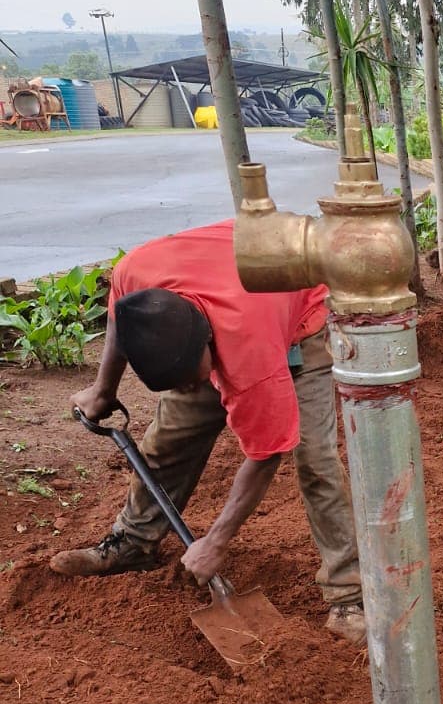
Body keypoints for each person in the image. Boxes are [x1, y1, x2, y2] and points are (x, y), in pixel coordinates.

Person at [50, 220, 365, 645]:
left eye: (191, 380)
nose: (189, 389)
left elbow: (265, 454)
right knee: (167, 441)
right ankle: (133, 542)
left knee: (315, 460)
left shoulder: (252, 361)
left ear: (207, 346)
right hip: (230, 297)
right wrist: (103, 389)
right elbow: (119, 317)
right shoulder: (137, 278)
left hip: (299, 322)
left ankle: (349, 595)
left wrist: (216, 542)